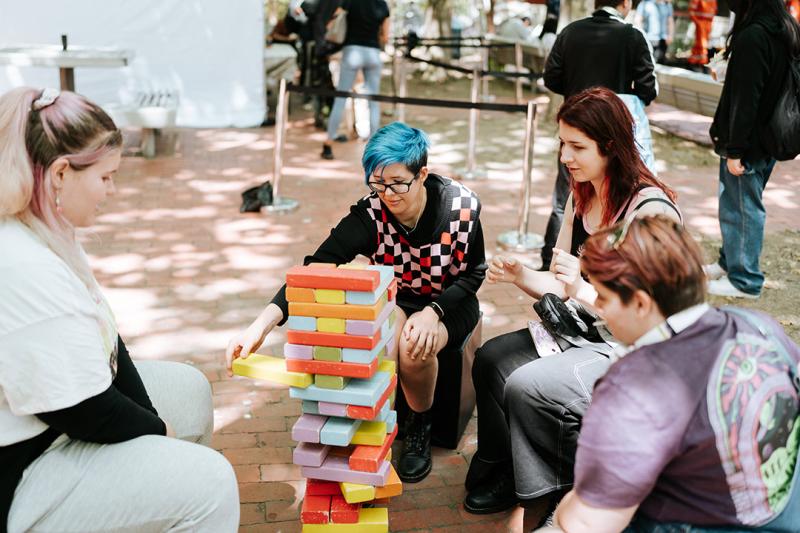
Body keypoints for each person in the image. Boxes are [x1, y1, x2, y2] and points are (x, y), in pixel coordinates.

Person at [0, 88, 239, 532]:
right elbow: (84, 410)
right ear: (60, 174)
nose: (112, 190)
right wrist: (157, 433)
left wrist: (154, 423)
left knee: (189, 390)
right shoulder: (22, 264)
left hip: (54, 424)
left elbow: (108, 339)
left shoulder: (50, 229)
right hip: (22, 470)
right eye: (106, 177)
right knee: (212, 484)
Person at [463, 87, 681, 525]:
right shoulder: (582, 194)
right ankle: (505, 468)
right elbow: (559, 282)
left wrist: (582, 287)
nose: (565, 156)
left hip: (634, 350)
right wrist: (522, 275)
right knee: (491, 359)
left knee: (529, 385)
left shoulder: (650, 212)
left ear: (612, 146)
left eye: (577, 146)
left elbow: (649, 316)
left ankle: (553, 498)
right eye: (562, 143)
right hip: (586, 329)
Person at [228, 122, 486, 483]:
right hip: (398, 298)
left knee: (415, 344)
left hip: (449, 303)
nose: (388, 194)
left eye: (398, 183)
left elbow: (475, 273)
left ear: (422, 174)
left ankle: (419, 425)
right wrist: (262, 324)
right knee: (377, 334)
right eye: (377, 184)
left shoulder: (461, 206)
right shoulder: (370, 213)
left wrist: (434, 312)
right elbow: (314, 268)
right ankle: (374, 423)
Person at [541, 215, 800, 533]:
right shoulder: (760, 325)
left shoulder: (635, 387)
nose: (601, 312)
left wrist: (565, 507)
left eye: (604, 299)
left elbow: (587, 524)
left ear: (640, 303)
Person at [540, 0, 658, 271]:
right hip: (611, 134)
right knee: (612, 196)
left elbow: (550, 77)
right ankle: (599, 266)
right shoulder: (632, 36)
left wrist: (576, 93)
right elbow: (648, 88)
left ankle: (551, 259)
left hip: (573, 127)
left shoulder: (570, 31)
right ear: (626, 3)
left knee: (564, 197)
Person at [706, 0, 800, 298]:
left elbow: (746, 99)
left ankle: (745, 279)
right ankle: (730, 262)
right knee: (737, 203)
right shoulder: (786, 28)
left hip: (749, 141)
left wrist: (735, 150)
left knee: (742, 208)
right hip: (769, 135)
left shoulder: (754, 36)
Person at [321, 0, 390, 160]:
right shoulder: (382, 4)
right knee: (373, 101)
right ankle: (374, 149)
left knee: (340, 99)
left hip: (352, 51)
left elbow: (333, 20)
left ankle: (328, 144)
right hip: (373, 53)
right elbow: (385, 36)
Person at [688, 0, 718, 69]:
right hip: (701, 22)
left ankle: (694, 62)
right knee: (702, 44)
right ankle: (702, 63)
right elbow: (691, 10)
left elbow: (714, 10)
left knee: (702, 44)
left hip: (708, 23)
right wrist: (697, 22)